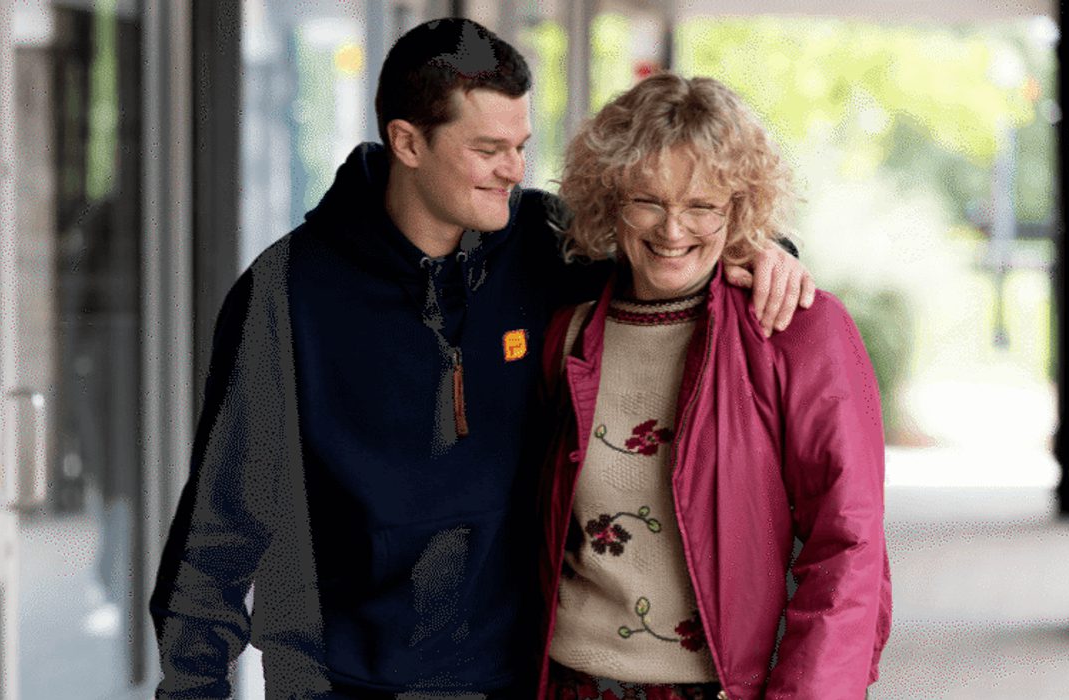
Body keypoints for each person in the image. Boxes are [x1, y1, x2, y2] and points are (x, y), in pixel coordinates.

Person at [150, 19, 815, 699]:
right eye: (489, 149)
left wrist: (765, 252)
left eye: (521, 146)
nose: (514, 169)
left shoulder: (547, 246)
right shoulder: (288, 291)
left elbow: (673, 251)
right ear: (408, 141)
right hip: (339, 681)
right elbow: (220, 531)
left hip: (512, 677)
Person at [535, 73, 892, 700]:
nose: (673, 230)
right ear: (610, 198)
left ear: (740, 209)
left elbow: (849, 546)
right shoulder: (567, 333)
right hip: (572, 681)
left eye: (702, 206)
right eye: (648, 200)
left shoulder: (798, 330)